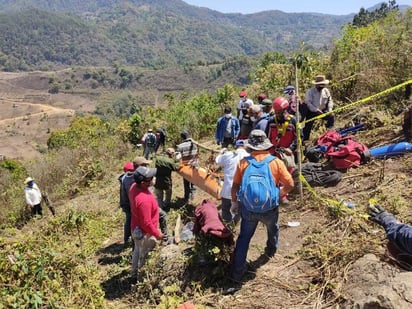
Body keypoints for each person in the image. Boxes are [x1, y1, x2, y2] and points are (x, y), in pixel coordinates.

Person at [230, 129, 294, 282]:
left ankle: (237, 273)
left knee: (244, 238)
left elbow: (235, 186)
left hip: (248, 209)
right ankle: (270, 250)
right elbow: (290, 183)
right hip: (269, 208)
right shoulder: (276, 162)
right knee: (273, 228)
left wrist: (234, 203)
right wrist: (278, 194)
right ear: (266, 145)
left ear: (250, 146)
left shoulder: (243, 163)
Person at [129, 166, 163, 277]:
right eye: (151, 178)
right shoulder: (144, 200)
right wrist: (158, 234)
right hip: (145, 233)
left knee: (137, 250)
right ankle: (141, 278)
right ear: (144, 182)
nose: (153, 179)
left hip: (135, 228)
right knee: (144, 255)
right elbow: (146, 223)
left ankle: (133, 273)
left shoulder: (134, 187)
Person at [267, 97, 301, 204]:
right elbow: (267, 137)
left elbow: (299, 137)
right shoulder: (271, 121)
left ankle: (283, 194)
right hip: (274, 153)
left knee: (287, 174)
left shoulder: (293, 121)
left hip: (288, 154)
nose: (277, 114)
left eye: (279, 112)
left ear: (285, 110)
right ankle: (277, 195)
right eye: (276, 111)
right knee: (274, 174)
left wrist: (291, 148)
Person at [215, 139, 248, 224]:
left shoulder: (228, 155)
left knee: (225, 210)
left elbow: (217, 160)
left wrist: (221, 152)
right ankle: (234, 224)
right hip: (241, 192)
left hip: (227, 190)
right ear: (245, 147)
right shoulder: (249, 157)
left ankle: (226, 227)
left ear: (235, 147)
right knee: (239, 212)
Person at [303, 75, 335, 141]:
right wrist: (316, 110)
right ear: (316, 84)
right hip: (312, 112)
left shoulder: (326, 91)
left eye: (322, 84)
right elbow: (308, 103)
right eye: (320, 84)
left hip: (323, 110)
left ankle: (328, 133)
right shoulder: (310, 91)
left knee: (331, 117)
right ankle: (305, 140)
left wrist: (330, 109)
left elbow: (330, 100)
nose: (321, 86)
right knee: (307, 127)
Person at [176, 130, 198, 202]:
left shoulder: (180, 146)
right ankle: (193, 195)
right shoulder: (195, 144)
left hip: (186, 167)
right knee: (194, 181)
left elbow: (178, 157)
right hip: (194, 165)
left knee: (186, 182)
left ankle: (187, 197)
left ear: (182, 137)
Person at [119, 162, 136, 247]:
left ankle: (127, 239)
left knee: (129, 220)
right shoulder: (128, 180)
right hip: (128, 204)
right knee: (130, 220)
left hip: (125, 203)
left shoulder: (124, 178)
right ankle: (129, 239)